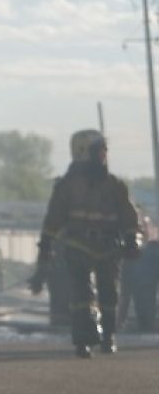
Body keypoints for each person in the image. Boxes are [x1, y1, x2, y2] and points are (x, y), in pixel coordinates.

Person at [33, 128, 141, 357]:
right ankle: (83, 341)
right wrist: (46, 245)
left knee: (109, 293)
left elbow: (129, 216)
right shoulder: (66, 186)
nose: (103, 154)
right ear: (83, 152)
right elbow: (54, 217)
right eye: (98, 150)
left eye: (104, 150)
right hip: (77, 244)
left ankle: (108, 337)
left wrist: (132, 239)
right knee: (81, 294)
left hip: (109, 246)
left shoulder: (115, 185)